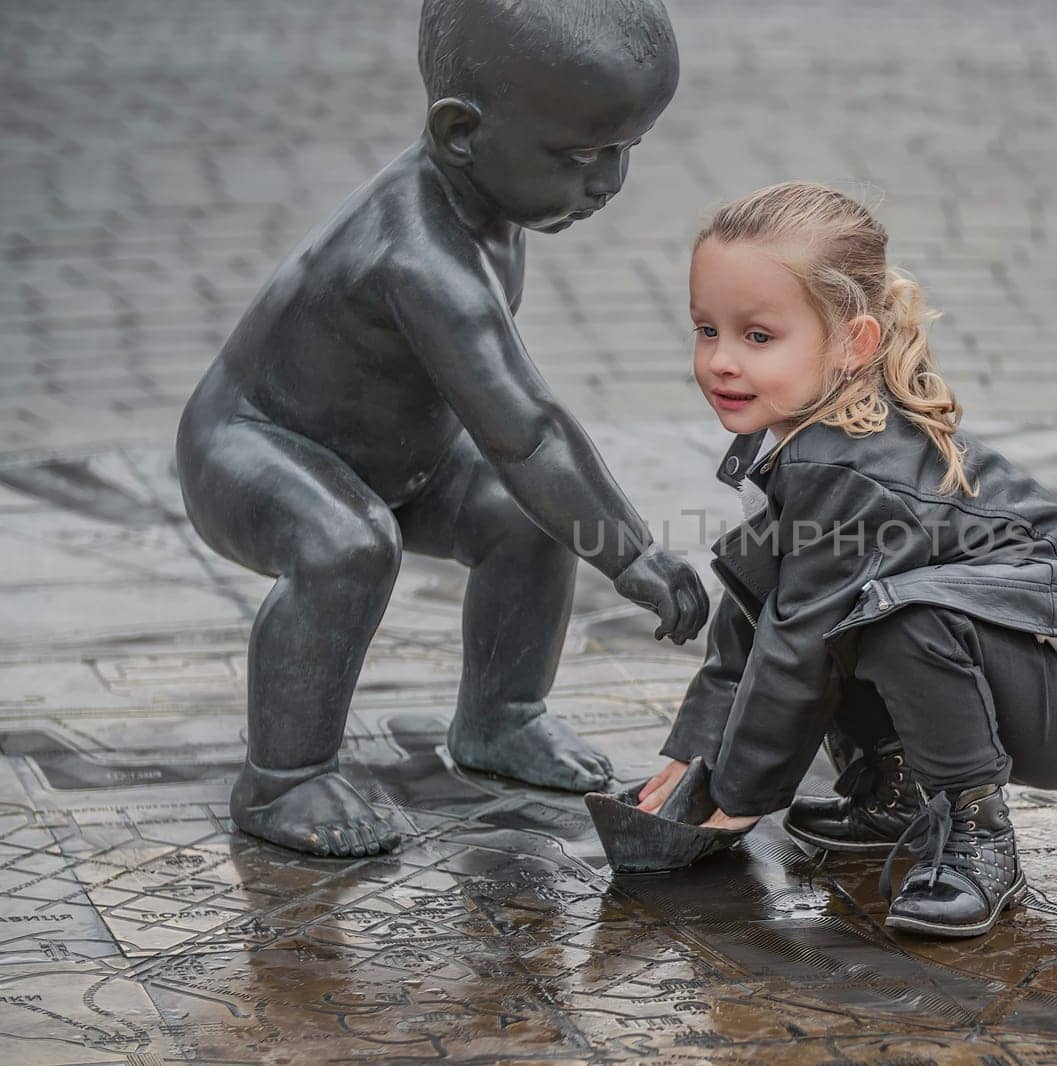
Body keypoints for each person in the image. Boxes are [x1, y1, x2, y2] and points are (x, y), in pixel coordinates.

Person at [174, 0, 709, 859]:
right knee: (346, 543)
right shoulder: (417, 255)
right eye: (580, 156)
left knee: (527, 515)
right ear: (460, 131)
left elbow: (521, 451)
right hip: (252, 446)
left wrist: (575, 517)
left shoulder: (492, 200)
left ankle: (503, 716)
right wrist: (631, 552)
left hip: (396, 459)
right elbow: (526, 432)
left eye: (625, 151)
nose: (607, 184)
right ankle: (284, 777)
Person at [635, 183, 1057, 938]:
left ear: (853, 344)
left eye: (758, 336)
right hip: (1015, 671)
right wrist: (697, 744)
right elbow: (768, 613)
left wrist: (733, 802)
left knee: (900, 621)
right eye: (708, 330)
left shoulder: (848, 466)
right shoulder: (803, 433)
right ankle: (900, 792)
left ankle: (978, 838)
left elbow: (798, 649)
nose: (721, 362)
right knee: (846, 607)